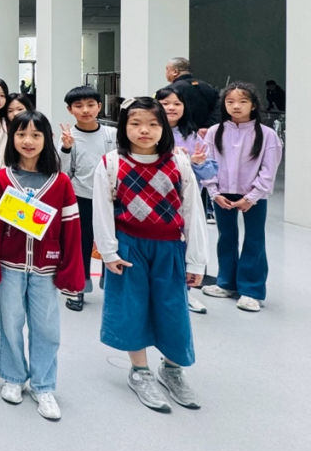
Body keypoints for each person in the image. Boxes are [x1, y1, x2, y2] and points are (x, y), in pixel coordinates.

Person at [93, 97, 208, 413]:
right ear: (124, 127)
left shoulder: (178, 162)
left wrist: (196, 260)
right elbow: (102, 211)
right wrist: (108, 252)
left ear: (163, 128)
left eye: (153, 124)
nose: (144, 130)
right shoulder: (111, 163)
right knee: (131, 308)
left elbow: (192, 211)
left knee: (173, 309)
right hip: (129, 247)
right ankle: (140, 371)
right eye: (136, 123)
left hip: (170, 247)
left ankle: (172, 369)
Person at [0, 111, 82, 421]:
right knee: (10, 323)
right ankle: (13, 377)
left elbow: (71, 229)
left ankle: (43, 385)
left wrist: (70, 270)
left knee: (47, 328)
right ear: (12, 138)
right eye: (21, 134)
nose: (28, 141)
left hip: (46, 269)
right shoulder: (1, 179)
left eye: (36, 135)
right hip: (10, 266)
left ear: (47, 139)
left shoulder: (60, 182)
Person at [200, 83, 283, 313]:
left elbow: (269, 170)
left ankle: (252, 290)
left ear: (253, 105)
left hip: (254, 196)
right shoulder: (215, 132)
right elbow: (207, 164)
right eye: (230, 102)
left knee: (254, 239)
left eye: (243, 101)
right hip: (222, 194)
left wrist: (252, 197)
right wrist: (214, 193)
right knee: (226, 237)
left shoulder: (267, 135)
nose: (236, 106)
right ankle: (226, 283)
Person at [156, 84, 218, 315]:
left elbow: (210, 173)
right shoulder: (149, 132)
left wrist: (197, 163)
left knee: (186, 246)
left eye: (177, 103)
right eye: (165, 103)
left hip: (184, 204)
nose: (171, 108)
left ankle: (185, 291)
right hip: (153, 202)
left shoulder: (193, 137)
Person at [58, 85, 118, 312]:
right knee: (80, 244)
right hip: (81, 198)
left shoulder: (112, 134)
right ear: (69, 109)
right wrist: (66, 148)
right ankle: (78, 287)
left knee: (111, 242)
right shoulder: (69, 137)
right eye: (79, 106)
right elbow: (64, 172)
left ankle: (111, 287)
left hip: (111, 198)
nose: (85, 110)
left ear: (99, 106)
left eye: (90, 105)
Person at [163, 58, 221, 131]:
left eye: (167, 69)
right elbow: (219, 109)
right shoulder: (208, 87)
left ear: (175, 72)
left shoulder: (170, 90)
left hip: (181, 133)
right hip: (206, 133)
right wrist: (207, 127)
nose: (165, 73)